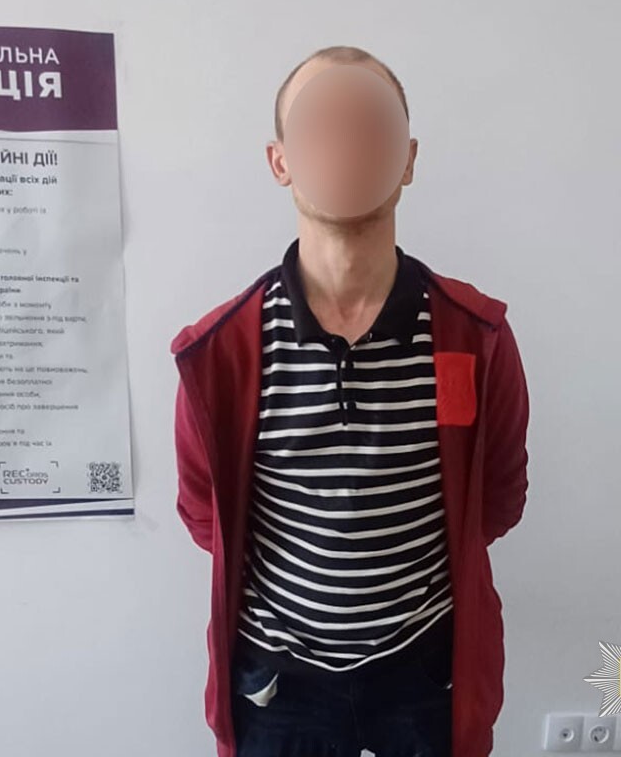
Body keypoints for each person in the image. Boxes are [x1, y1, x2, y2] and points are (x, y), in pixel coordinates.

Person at [171, 45, 530, 757]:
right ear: (280, 161)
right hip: (279, 686)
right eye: (319, 127)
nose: (346, 148)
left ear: (408, 158)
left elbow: (497, 501)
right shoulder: (221, 351)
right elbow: (206, 516)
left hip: (427, 674)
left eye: (371, 126)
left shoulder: (476, 335)